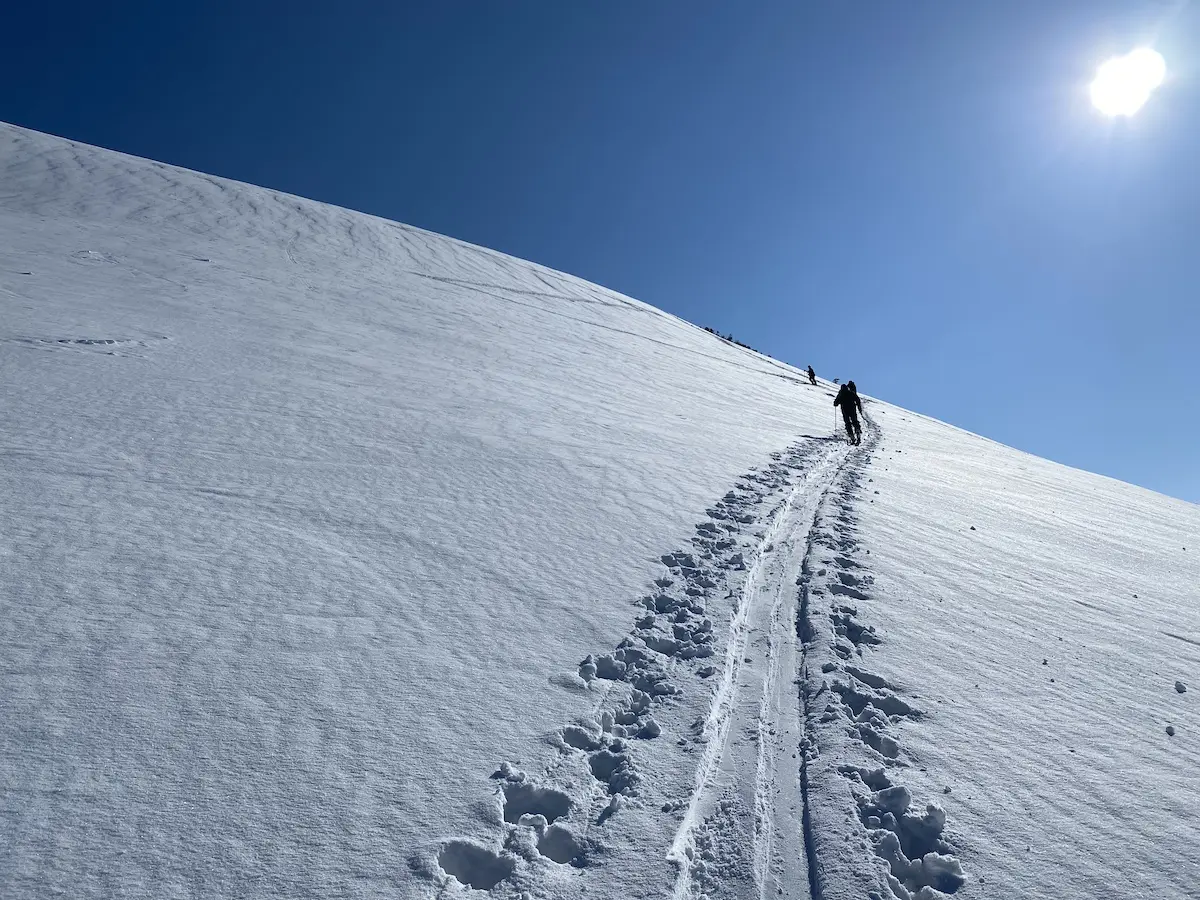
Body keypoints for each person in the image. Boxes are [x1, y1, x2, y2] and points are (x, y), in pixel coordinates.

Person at [834, 380, 863, 445]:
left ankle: (852, 436)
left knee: (848, 423)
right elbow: (857, 399)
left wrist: (836, 402)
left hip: (845, 410)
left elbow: (836, 403)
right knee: (854, 421)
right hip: (852, 408)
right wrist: (859, 408)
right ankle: (857, 431)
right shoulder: (851, 393)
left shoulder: (840, 394)